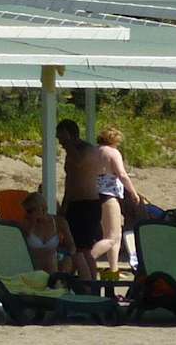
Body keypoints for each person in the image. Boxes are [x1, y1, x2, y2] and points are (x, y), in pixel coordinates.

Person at [90, 128, 144, 277]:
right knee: (112, 236)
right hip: (108, 195)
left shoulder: (93, 151)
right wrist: (133, 192)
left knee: (113, 235)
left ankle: (113, 269)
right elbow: (122, 174)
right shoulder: (112, 152)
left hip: (93, 194)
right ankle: (86, 259)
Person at [57, 120, 102, 281]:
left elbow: (80, 162)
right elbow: (71, 180)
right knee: (74, 248)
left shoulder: (87, 150)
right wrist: (64, 205)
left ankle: (92, 286)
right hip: (74, 203)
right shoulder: (72, 152)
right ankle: (80, 281)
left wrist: (68, 142)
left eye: (61, 138)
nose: (61, 143)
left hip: (87, 204)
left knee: (82, 249)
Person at [19, 190, 73, 275]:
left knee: (71, 259)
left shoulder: (59, 222)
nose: (26, 215)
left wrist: (65, 253)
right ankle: (55, 282)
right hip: (33, 262)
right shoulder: (25, 224)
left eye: (29, 211)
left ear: (42, 209)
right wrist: (32, 225)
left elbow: (71, 245)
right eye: (25, 211)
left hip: (54, 260)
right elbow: (21, 249)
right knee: (50, 257)